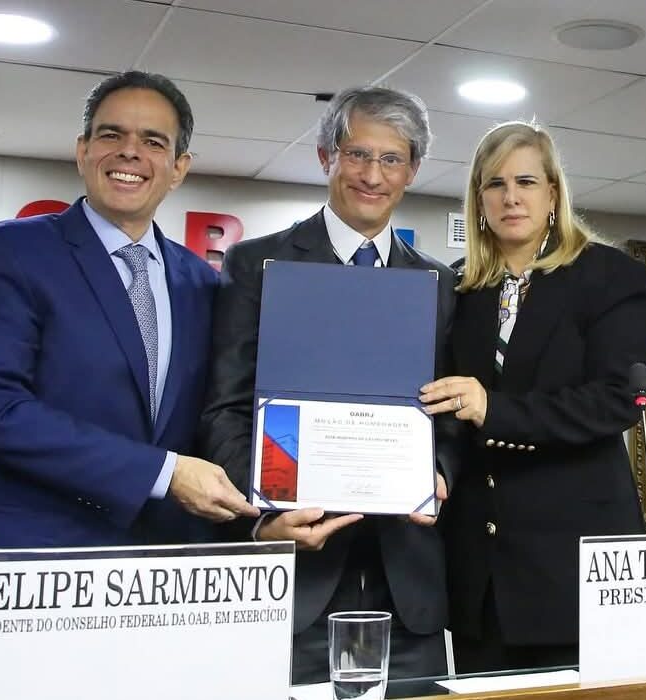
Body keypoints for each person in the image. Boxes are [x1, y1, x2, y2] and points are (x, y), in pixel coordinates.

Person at [0, 71, 258, 700]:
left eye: (153, 141)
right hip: (15, 573)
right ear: (82, 150)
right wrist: (165, 472)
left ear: (179, 167)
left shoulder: (203, 285)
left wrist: (270, 512)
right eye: (111, 135)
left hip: (147, 586)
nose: (129, 153)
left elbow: (218, 418)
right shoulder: (6, 253)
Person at [199, 86, 459, 683]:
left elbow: (448, 413)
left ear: (413, 170)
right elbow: (226, 409)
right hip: (296, 587)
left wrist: (440, 471)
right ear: (326, 157)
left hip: (408, 587)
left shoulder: (439, 283)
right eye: (357, 154)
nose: (372, 175)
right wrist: (262, 516)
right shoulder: (257, 265)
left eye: (391, 159)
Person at [419, 121, 646, 672]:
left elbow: (618, 400)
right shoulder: (461, 287)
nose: (511, 197)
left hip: (573, 563)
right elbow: (442, 405)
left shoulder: (610, 275)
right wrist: (431, 468)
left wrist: (494, 409)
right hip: (480, 568)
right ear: (479, 200)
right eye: (495, 184)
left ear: (553, 193)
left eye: (525, 181)